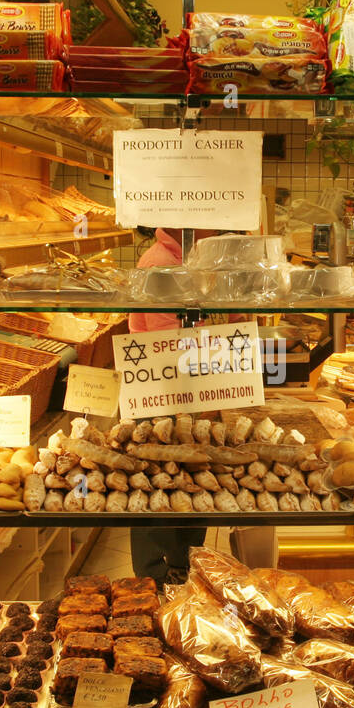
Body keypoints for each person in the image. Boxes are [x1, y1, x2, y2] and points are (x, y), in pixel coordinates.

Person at [127, 227, 216, 585]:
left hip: (182, 384)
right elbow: (167, 340)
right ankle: (153, 575)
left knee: (189, 477)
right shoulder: (162, 264)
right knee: (154, 482)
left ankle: (184, 562)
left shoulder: (187, 258)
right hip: (160, 388)